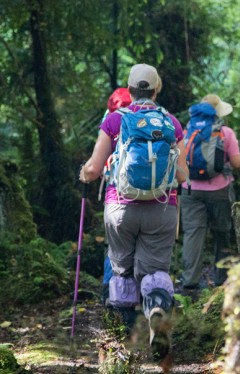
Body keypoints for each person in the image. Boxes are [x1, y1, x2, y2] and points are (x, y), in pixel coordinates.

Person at [79, 64, 187, 367]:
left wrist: (84, 175)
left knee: (122, 269)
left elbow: (93, 168)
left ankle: (122, 342)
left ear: (130, 89)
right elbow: (183, 173)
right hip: (162, 209)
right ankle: (155, 310)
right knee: (155, 271)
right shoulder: (172, 123)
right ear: (156, 89)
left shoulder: (115, 120)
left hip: (120, 208)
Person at [180, 94, 240, 291]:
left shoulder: (187, 129)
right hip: (219, 189)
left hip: (189, 189)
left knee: (192, 234)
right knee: (222, 232)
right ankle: (221, 278)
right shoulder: (225, 132)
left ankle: (189, 282)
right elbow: (237, 163)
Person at [99, 87, 132, 306]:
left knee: (116, 246)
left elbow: (99, 161)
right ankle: (133, 300)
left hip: (116, 193)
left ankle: (109, 289)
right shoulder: (143, 119)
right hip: (149, 195)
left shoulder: (109, 120)